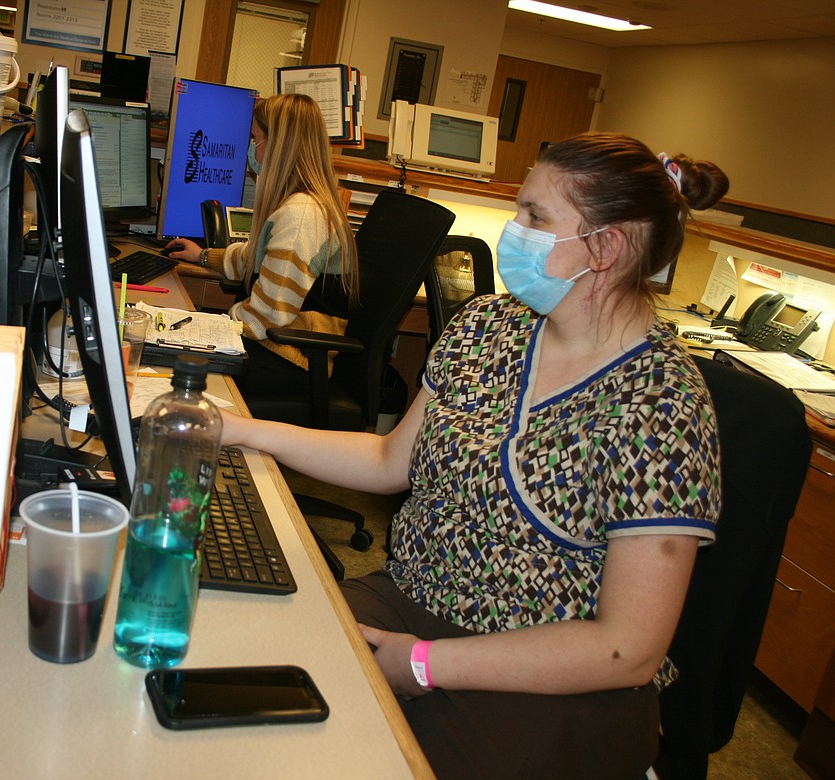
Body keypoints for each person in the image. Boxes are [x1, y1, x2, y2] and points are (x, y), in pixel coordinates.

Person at [220, 132, 731, 778]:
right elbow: (387, 460)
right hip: (413, 599)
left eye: (535, 218)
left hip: (555, 671)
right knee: (251, 687)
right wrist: (243, 430)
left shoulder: (663, 402)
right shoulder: (488, 327)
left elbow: (627, 647)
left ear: (606, 247)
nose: (513, 232)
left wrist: (426, 663)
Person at [165, 92, 358, 396]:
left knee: (171, 364)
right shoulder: (300, 205)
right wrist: (203, 256)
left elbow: (267, 317)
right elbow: (258, 259)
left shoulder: (302, 215)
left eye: (255, 137)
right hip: (278, 351)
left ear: (278, 144)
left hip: (288, 363)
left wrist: (204, 326)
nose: (252, 147)